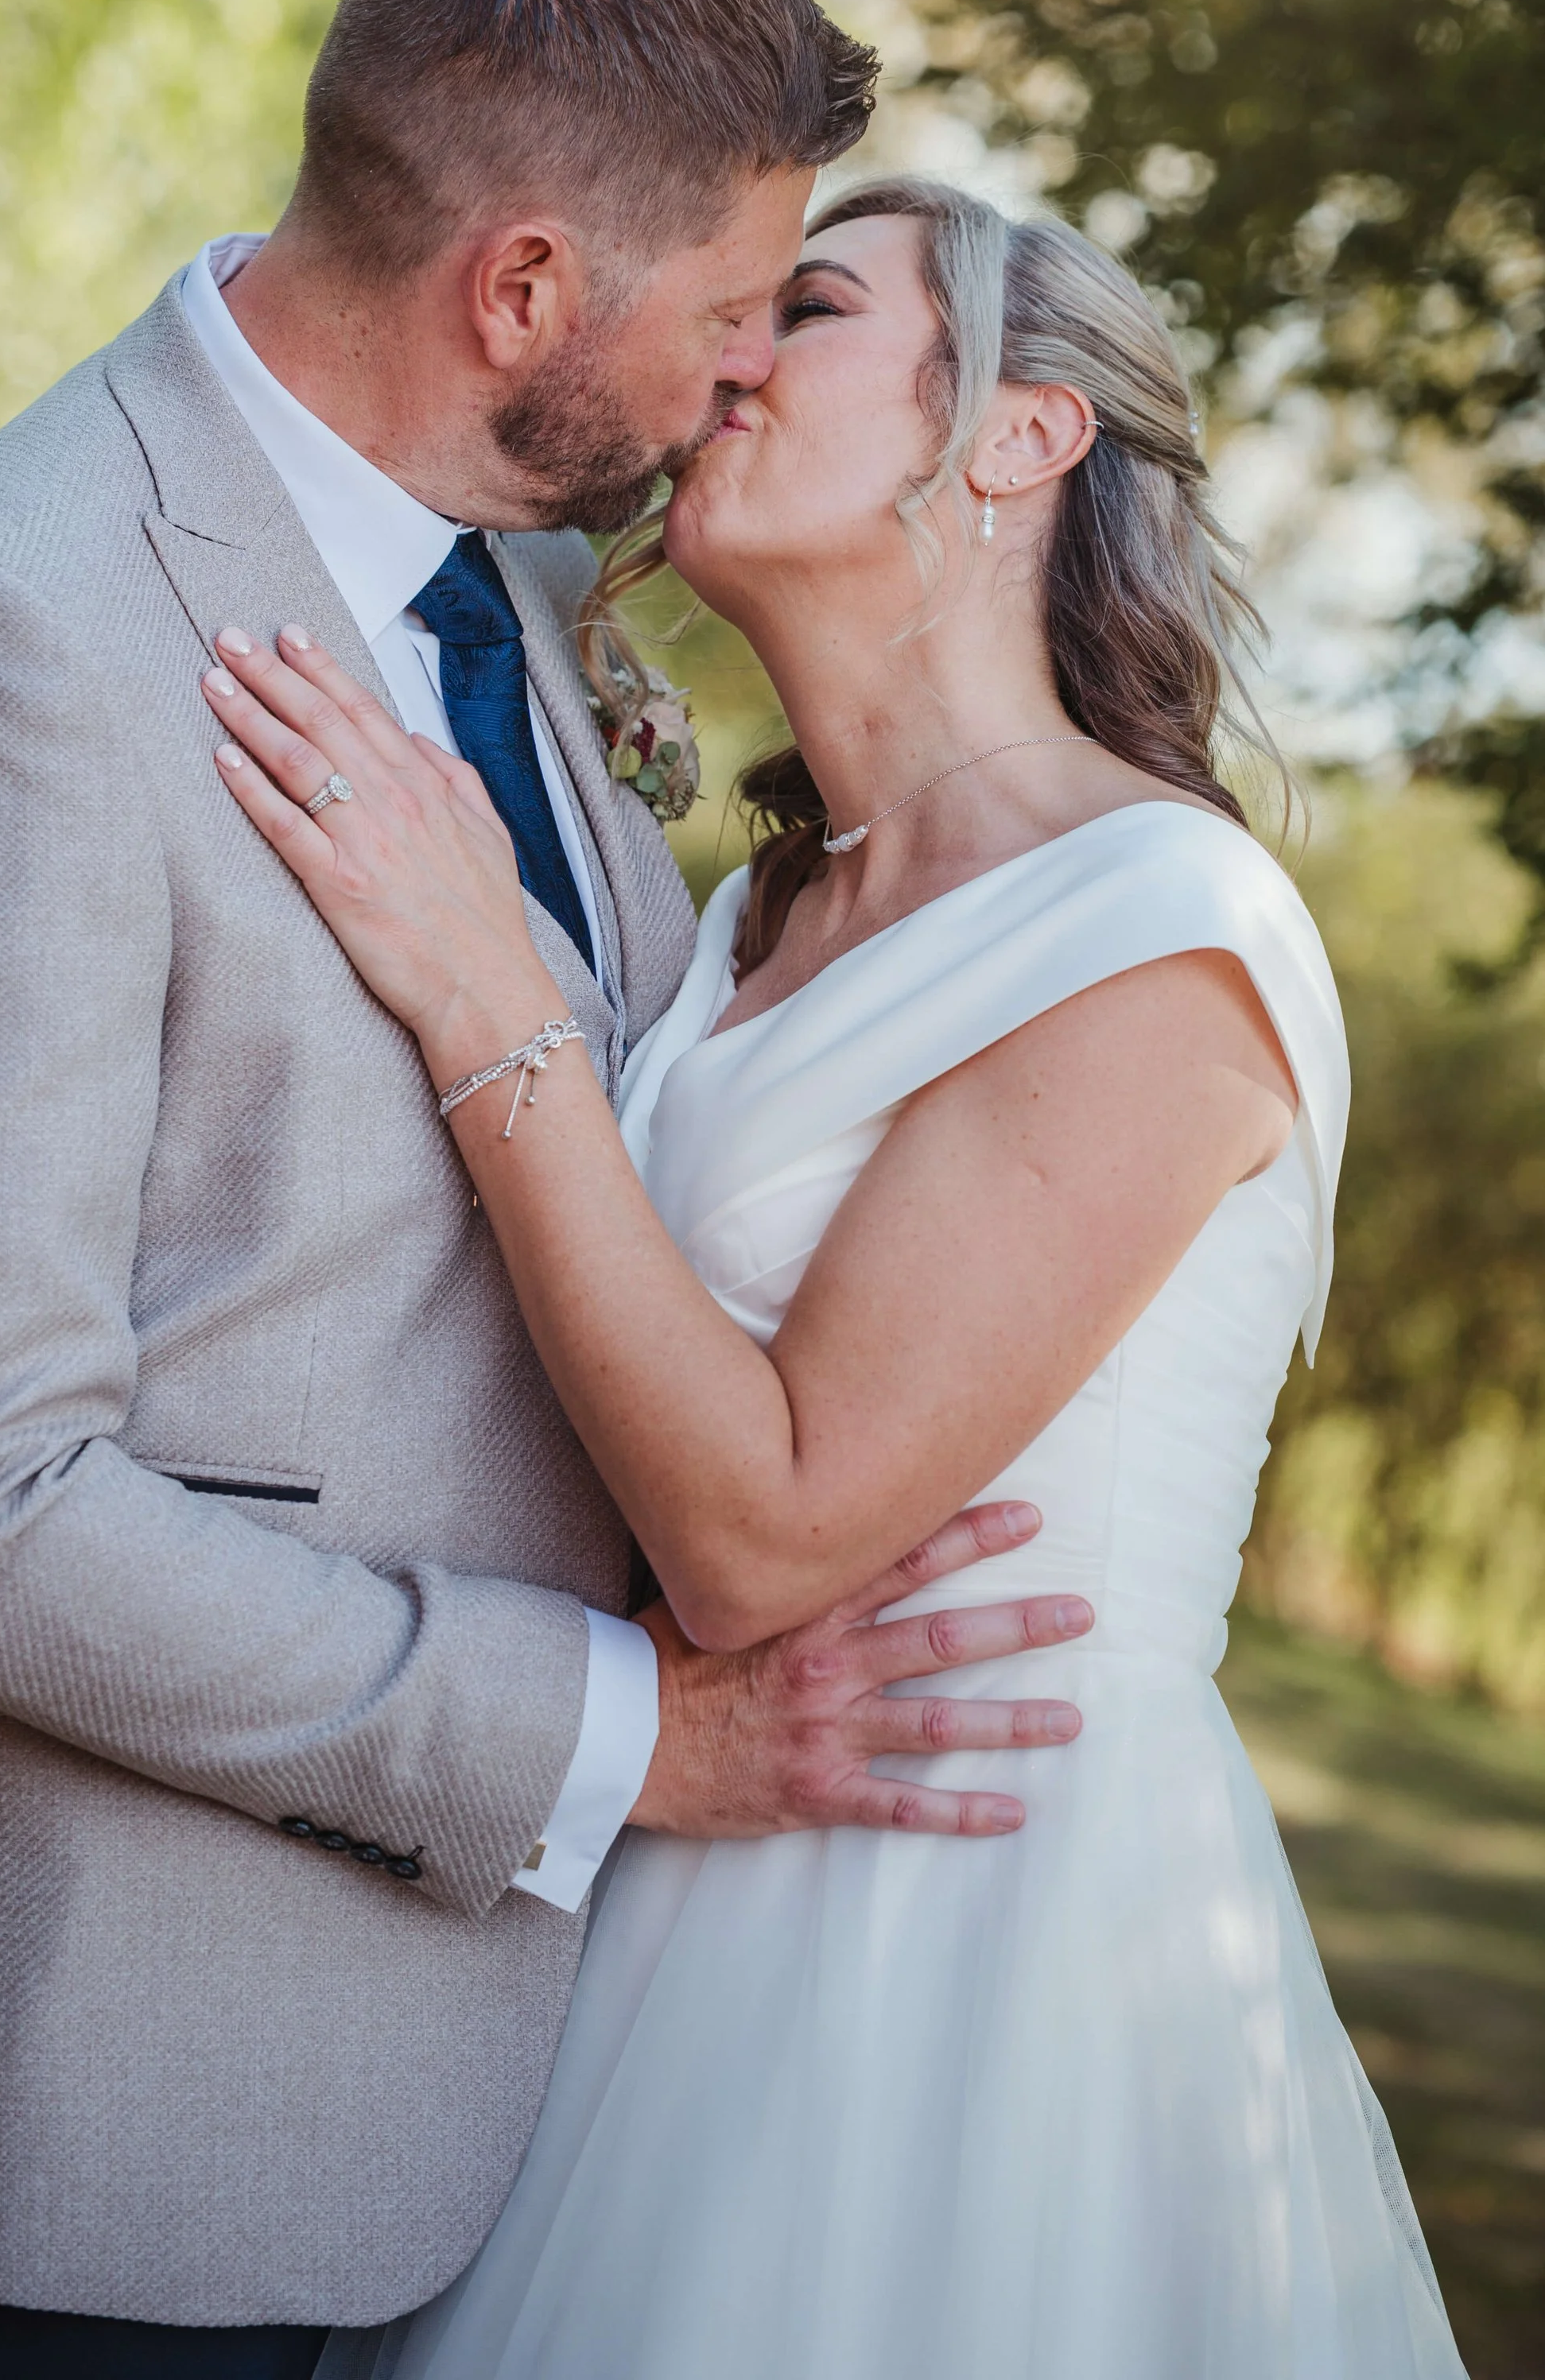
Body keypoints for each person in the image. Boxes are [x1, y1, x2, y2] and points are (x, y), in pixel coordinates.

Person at [0, 0, 1096, 2378]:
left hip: (440, 2120)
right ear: (518, 289)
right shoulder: (17, 634)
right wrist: (622, 1733)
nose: (747, 375)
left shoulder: (503, 580)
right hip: (69, 2124)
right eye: (734, 309)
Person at [201, 175, 1469, 2378]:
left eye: (805, 306)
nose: (726, 358)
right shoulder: (756, 923)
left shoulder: (1155, 932)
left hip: (963, 1962)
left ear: (1014, 434)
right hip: (653, 1881)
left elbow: (766, 1518)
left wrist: (479, 996)